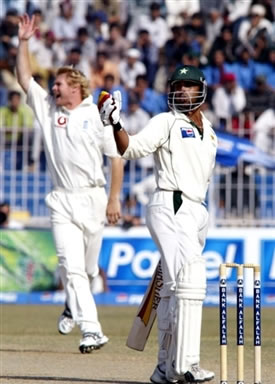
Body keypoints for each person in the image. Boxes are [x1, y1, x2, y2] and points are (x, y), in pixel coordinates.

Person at [98, 65, 217, 383]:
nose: (181, 91)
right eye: (177, 86)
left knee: (171, 289)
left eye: (188, 86)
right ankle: (186, 364)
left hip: (196, 211)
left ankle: (164, 367)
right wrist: (116, 123)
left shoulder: (212, 132)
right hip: (171, 204)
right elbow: (130, 148)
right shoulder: (166, 122)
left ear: (201, 91)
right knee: (191, 279)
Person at [16, 14, 123, 354]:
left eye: (60, 84)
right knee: (73, 269)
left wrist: (114, 200)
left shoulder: (96, 114)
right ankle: (91, 330)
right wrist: (23, 42)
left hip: (93, 198)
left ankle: (71, 305)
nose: (53, 87)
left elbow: (116, 159)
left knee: (89, 271)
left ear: (76, 87)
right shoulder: (48, 109)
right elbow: (24, 78)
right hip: (61, 200)